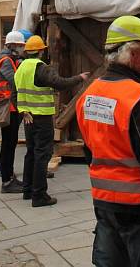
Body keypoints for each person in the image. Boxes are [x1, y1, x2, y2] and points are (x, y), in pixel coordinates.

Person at [76, 15, 140, 267]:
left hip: (104, 204)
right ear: (133, 54)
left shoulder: (89, 95)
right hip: (139, 208)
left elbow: (89, 150)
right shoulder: (137, 99)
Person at [15, 34, 89, 207]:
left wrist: (23, 111)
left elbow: (15, 92)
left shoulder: (21, 68)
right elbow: (60, 83)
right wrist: (80, 78)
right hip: (41, 116)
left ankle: (28, 189)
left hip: (28, 117)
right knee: (43, 154)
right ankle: (39, 195)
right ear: (41, 51)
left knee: (31, 152)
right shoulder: (41, 68)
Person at [0, 27, 33, 177]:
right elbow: (15, 81)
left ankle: (6, 173)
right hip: (8, 107)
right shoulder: (7, 61)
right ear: (13, 46)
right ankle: (6, 177)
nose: (23, 48)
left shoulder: (10, 60)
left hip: (10, 106)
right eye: (21, 46)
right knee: (9, 142)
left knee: (10, 142)